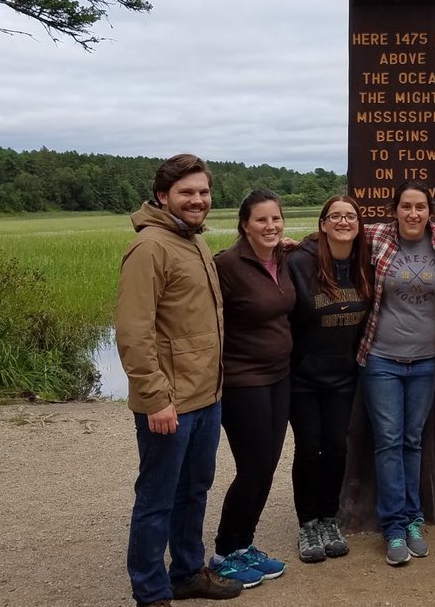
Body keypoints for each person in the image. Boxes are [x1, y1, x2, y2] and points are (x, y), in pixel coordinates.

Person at [116, 154, 242, 607]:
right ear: (163, 195)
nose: (198, 200)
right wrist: (155, 399)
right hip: (169, 402)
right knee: (156, 498)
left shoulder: (192, 241)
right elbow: (134, 330)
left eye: (203, 192)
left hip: (205, 397)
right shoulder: (151, 247)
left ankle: (187, 572)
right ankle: (151, 593)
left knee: (194, 490)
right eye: (187, 192)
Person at [357, 180, 435, 567]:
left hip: (427, 360)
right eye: (406, 207)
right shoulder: (378, 236)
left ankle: (414, 520)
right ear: (394, 210)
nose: (413, 214)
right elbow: (333, 231)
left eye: (420, 207)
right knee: (388, 441)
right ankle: (394, 526)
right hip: (382, 359)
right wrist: (288, 244)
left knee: (412, 441)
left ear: (431, 211)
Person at [210, 190, 297, 588]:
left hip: (280, 377)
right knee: (253, 468)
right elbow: (206, 322)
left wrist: (292, 245)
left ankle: (243, 545)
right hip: (244, 381)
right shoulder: (226, 266)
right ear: (245, 224)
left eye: (276, 219)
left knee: (267, 466)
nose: (271, 226)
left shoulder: (280, 259)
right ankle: (224, 552)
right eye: (261, 220)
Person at [287, 195, 373, 563]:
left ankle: (328, 518)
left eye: (349, 216)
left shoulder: (365, 263)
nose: (343, 221)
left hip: (343, 376)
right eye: (334, 216)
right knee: (309, 449)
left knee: (337, 448)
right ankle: (307, 523)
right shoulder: (298, 262)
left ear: (358, 224)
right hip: (302, 377)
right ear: (322, 224)